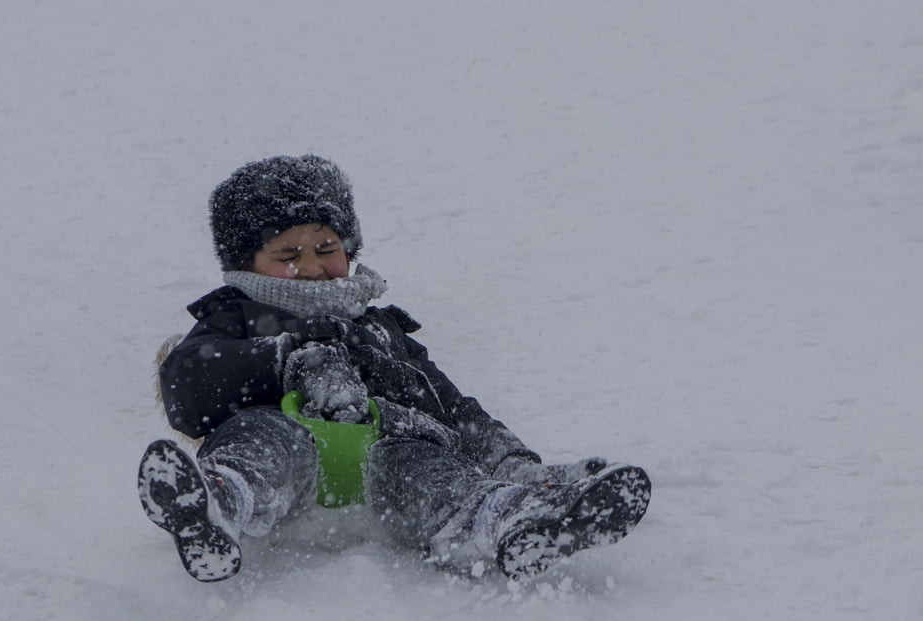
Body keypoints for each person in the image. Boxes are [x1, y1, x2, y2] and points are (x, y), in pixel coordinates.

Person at [138, 155, 650, 582]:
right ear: (245, 265)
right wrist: (285, 359)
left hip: (388, 454)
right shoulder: (234, 316)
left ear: (349, 249)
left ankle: (509, 520)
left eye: (326, 248)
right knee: (261, 439)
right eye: (287, 254)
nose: (311, 267)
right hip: (288, 443)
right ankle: (218, 502)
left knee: (427, 468)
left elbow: (453, 407)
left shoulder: (380, 328)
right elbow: (187, 385)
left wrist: (514, 462)